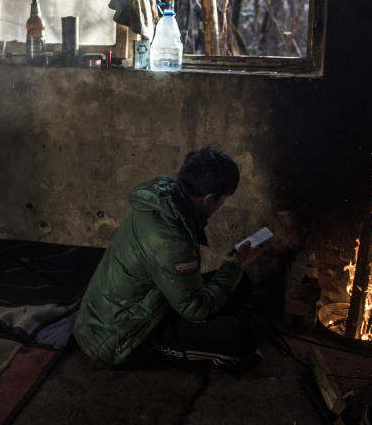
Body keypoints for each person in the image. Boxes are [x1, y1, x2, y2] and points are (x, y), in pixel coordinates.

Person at [73, 146, 261, 368]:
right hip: (121, 339)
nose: (221, 207)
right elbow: (197, 310)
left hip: (135, 307)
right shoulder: (172, 240)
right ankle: (164, 350)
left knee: (242, 284)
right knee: (240, 335)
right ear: (209, 199)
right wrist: (237, 263)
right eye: (223, 201)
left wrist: (236, 267)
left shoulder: (164, 198)